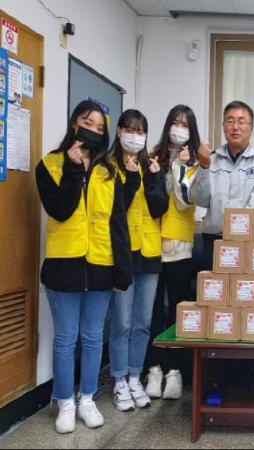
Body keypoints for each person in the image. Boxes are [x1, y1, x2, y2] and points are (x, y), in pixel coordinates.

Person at [35, 100, 132, 434]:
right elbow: (60, 210)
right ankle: (65, 402)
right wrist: (74, 169)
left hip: (101, 266)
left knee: (92, 338)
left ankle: (87, 398)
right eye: (86, 122)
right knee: (65, 339)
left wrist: (122, 271)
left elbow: (118, 224)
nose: (92, 130)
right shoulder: (50, 164)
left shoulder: (110, 172)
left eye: (99, 127)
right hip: (64, 266)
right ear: (74, 123)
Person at [108, 110, 169, 412]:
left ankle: (135, 376)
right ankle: (119, 379)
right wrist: (131, 178)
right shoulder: (108, 167)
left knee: (143, 323)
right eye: (130, 130)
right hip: (123, 253)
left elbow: (159, 208)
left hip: (150, 252)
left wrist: (155, 179)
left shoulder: (150, 165)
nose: (135, 136)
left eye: (141, 131)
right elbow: (115, 208)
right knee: (122, 322)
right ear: (119, 131)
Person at [145, 105, 203, 400]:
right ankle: (154, 369)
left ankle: (175, 371)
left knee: (178, 310)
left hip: (179, 244)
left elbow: (183, 202)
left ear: (192, 131)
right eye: (175, 123)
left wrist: (181, 167)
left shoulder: (196, 164)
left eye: (185, 125)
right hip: (151, 243)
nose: (179, 129)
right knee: (154, 310)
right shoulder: (153, 156)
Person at [189, 100, 254, 267]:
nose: (235, 127)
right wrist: (204, 167)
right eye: (230, 121)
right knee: (215, 285)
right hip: (214, 240)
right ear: (223, 126)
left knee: (247, 285)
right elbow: (199, 199)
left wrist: (235, 230)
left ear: (251, 127)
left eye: (241, 121)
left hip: (251, 240)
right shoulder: (210, 159)